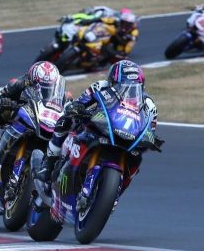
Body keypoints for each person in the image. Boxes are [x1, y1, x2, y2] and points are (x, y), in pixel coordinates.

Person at [38, 60, 158, 194]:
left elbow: (150, 128)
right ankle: (48, 164)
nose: (128, 90)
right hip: (99, 126)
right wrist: (77, 108)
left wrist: (152, 138)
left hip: (127, 138)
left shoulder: (149, 104)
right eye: (122, 85)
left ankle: (115, 193)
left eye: (134, 87)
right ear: (112, 81)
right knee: (65, 120)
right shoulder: (100, 86)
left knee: (137, 159)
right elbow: (80, 102)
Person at [0, 61, 63, 175]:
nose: (45, 90)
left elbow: (66, 107)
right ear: (31, 80)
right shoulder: (17, 84)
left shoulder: (59, 95)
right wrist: (3, 102)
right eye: (40, 86)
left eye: (48, 87)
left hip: (41, 120)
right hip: (17, 113)